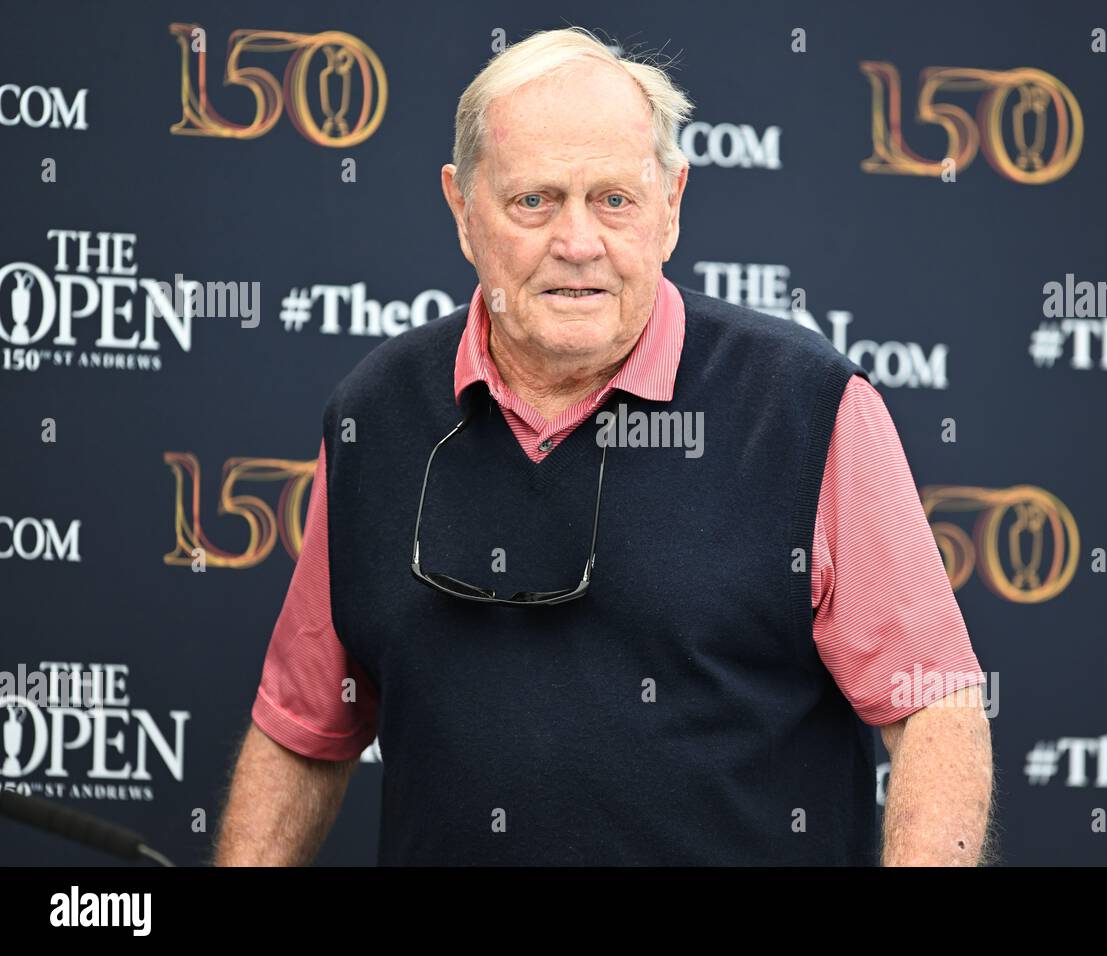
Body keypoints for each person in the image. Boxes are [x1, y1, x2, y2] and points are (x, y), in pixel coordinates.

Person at [214, 26, 992, 866]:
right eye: (534, 201)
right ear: (462, 209)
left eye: (613, 200)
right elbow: (300, 729)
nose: (578, 243)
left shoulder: (808, 411)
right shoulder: (376, 415)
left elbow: (934, 711)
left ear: (671, 207)